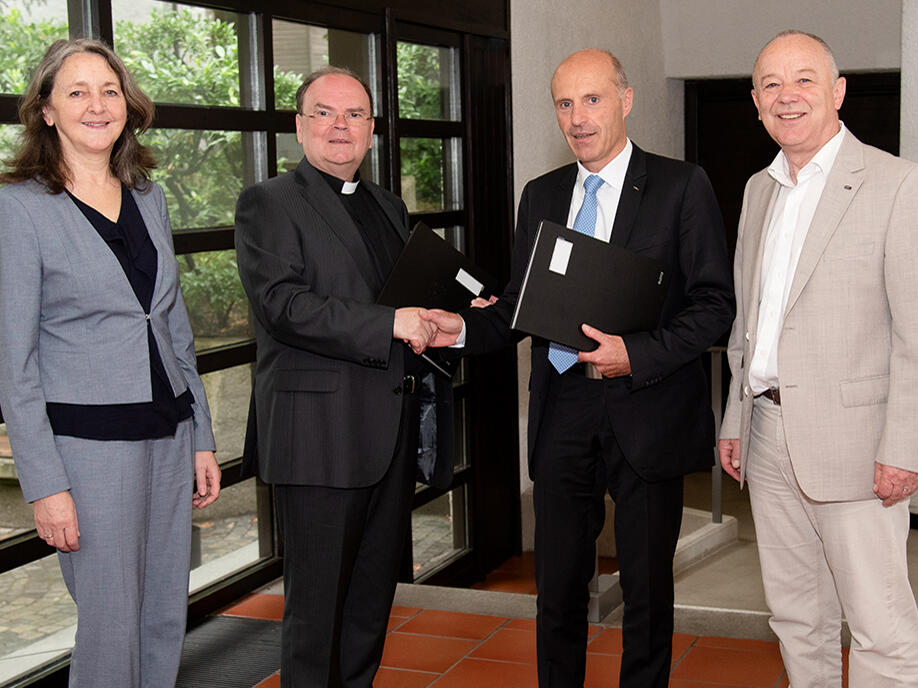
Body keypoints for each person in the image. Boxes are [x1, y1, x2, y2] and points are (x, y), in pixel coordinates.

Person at [423, 48, 734, 688]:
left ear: (626, 100)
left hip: (647, 407)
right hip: (563, 406)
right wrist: (462, 328)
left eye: (592, 99)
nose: (577, 117)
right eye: (564, 104)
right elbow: (522, 303)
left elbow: (713, 307)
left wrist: (635, 354)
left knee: (647, 592)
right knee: (558, 589)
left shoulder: (681, 186)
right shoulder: (541, 194)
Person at [0, 39, 220, 687]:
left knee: (162, 616)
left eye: (109, 90)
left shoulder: (148, 197)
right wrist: (45, 485)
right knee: (110, 625)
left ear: (127, 104)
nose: (97, 105)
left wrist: (201, 436)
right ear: (46, 111)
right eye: (77, 92)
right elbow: (14, 363)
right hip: (89, 452)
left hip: (169, 434)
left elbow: (172, 326)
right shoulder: (18, 208)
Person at [234, 65, 452, 688]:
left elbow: (402, 299)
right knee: (316, 616)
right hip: (318, 439)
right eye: (324, 113)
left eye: (354, 114)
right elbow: (283, 305)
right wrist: (393, 322)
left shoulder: (387, 205)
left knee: (369, 606)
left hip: (387, 435)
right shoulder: (269, 202)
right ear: (300, 125)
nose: (340, 126)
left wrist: (449, 314)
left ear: (371, 129)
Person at [717, 30, 918, 687]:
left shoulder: (897, 184)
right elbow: (748, 321)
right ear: (756, 103)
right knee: (798, 618)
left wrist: (905, 447)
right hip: (768, 438)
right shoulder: (758, 190)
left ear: (837, 92)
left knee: (880, 630)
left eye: (804, 79)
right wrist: (736, 418)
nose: (787, 95)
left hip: (859, 447)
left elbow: (914, 335)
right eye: (771, 84)